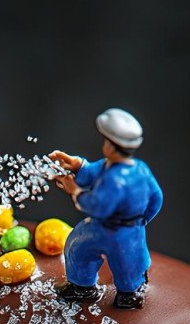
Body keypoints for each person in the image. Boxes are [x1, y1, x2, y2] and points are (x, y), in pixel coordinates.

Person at [50, 108, 163, 309]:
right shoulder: (133, 167)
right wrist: (78, 166)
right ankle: (85, 288)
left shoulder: (116, 181)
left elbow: (97, 206)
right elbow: (157, 198)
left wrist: (74, 190)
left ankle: (129, 294)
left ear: (111, 147)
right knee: (78, 246)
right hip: (115, 228)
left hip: (116, 231)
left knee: (127, 263)